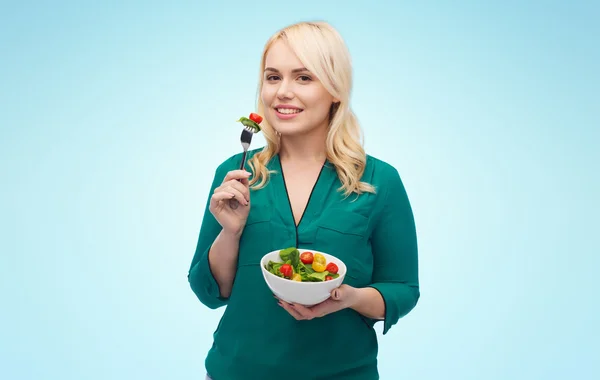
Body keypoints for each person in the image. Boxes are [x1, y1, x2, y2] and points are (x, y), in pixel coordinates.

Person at [188, 20, 420, 380]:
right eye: (273, 77)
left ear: (335, 90)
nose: (282, 92)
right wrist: (230, 234)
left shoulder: (378, 181)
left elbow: (402, 289)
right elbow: (210, 291)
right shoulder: (236, 174)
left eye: (303, 78)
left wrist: (350, 298)